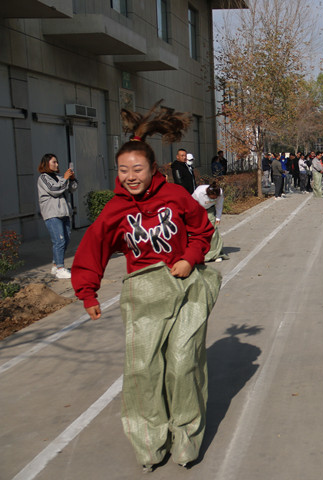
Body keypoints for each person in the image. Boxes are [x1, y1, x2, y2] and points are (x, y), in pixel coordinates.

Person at [71, 101, 221, 472]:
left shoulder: (175, 196)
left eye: (137, 169)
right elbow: (93, 249)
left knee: (183, 364)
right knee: (143, 370)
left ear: (154, 168)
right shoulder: (115, 210)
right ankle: (151, 442)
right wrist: (87, 292)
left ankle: (185, 437)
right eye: (123, 170)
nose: (130, 176)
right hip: (143, 295)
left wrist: (190, 256)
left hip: (185, 287)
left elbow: (203, 229)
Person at [37, 153, 78, 279]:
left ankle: (55, 265)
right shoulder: (43, 178)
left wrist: (71, 179)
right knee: (59, 240)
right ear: (46, 163)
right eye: (54, 162)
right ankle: (60, 268)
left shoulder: (58, 177)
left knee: (66, 239)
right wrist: (65, 179)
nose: (57, 164)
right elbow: (55, 190)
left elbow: (72, 189)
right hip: (52, 213)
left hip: (64, 213)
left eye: (57, 162)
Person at [193, 182, 229, 262]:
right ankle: (200, 253)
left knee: (213, 230)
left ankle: (215, 254)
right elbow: (191, 205)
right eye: (212, 198)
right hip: (198, 210)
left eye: (215, 198)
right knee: (199, 231)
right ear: (207, 194)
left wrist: (218, 218)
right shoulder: (198, 193)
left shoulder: (220, 192)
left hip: (210, 210)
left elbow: (219, 205)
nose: (213, 199)